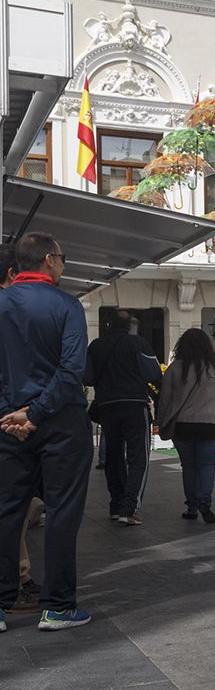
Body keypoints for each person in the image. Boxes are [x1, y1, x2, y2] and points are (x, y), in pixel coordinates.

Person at [0, 233, 92, 632]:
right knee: (62, 513)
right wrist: (35, 413)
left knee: (6, 512)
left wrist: (11, 415)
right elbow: (72, 370)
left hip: (9, 426)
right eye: (63, 258)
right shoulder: (66, 305)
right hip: (60, 424)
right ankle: (57, 607)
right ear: (50, 260)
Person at [85, 309, 162, 526]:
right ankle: (129, 508)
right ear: (130, 327)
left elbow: (87, 377)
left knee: (113, 455)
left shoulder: (96, 346)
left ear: (108, 324)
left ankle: (116, 504)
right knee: (139, 457)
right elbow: (154, 373)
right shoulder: (138, 344)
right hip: (134, 405)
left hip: (107, 406)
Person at [0, 245, 43, 616]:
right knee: (13, 506)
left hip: (11, 420)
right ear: (13, 275)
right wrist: (16, 417)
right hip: (12, 423)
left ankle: (19, 579)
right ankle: (15, 583)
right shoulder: (14, 313)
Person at [157, 329, 215, 523]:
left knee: (188, 467)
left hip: (183, 425)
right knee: (207, 465)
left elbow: (165, 399)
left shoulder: (174, 368)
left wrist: (161, 421)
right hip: (211, 424)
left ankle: (191, 506)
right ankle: (205, 502)